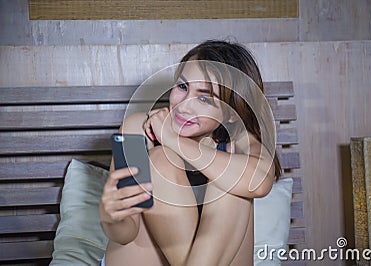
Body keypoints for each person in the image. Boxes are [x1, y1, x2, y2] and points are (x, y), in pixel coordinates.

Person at [98, 40, 281, 266]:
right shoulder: (139, 131)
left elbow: (260, 182)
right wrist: (111, 216)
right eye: (183, 87)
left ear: (231, 114)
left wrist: (172, 139)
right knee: (160, 161)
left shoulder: (239, 142)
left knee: (233, 182)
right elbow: (125, 233)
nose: (184, 105)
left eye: (204, 98)